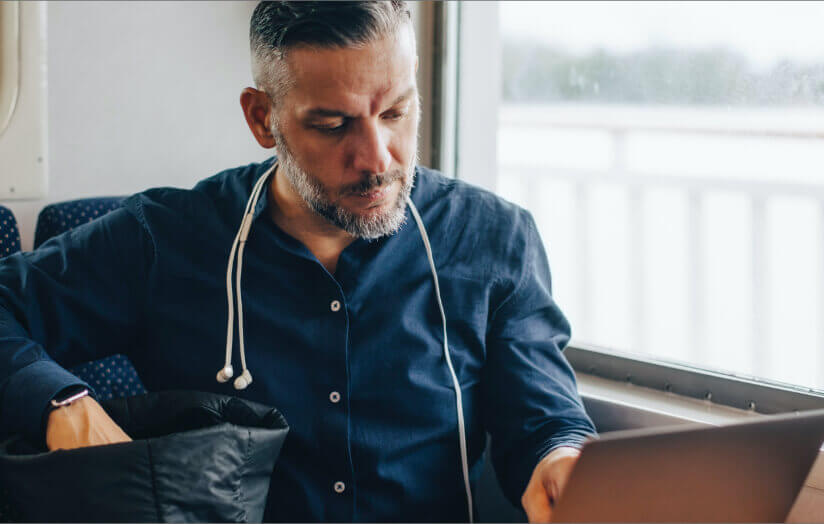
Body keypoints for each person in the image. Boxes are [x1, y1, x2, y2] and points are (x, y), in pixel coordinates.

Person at [0, 1, 595, 522]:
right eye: (333, 125)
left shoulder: (493, 237)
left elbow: (542, 418)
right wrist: (60, 405)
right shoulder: (164, 240)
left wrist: (561, 461)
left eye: (395, 114)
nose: (376, 158)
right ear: (263, 118)